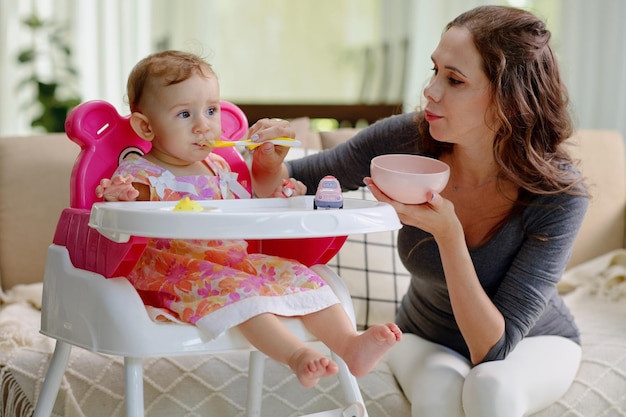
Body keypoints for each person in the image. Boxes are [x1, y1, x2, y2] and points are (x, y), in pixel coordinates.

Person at [250, 5, 588, 417]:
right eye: (435, 70)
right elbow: (291, 180)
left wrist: (449, 236)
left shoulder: (559, 193)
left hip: (535, 341)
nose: (430, 90)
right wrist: (269, 161)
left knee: (493, 388)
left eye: (455, 79)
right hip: (426, 336)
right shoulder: (407, 139)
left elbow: (493, 349)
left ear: (509, 101)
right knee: (437, 396)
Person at [95, 50, 401, 388]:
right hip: (176, 273)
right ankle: (296, 355)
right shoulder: (142, 173)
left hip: (236, 261)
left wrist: (280, 191)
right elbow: (119, 211)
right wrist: (121, 196)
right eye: (184, 114)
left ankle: (349, 344)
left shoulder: (221, 167)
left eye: (211, 110)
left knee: (304, 275)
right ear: (146, 126)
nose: (203, 125)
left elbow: (253, 202)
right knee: (241, 292)